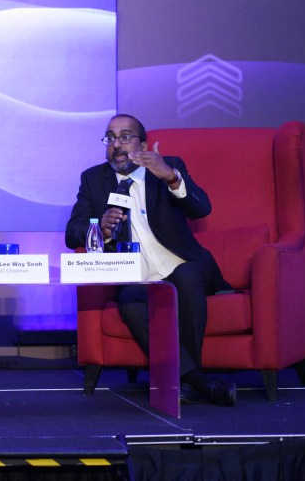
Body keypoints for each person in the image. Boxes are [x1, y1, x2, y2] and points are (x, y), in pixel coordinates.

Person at [65, 113, 238, 406]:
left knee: (187, 278)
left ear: (143, 145)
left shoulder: (167, 168)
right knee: (129, 304)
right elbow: (73, 232)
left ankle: (187, 379)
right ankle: (198, 381)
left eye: (126, 137)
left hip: (181, 265)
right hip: (137, 277)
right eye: (111, 138)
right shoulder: (93, 180)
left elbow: (202, 209)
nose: (117, 145)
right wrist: (99, 228)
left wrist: (170, 176)